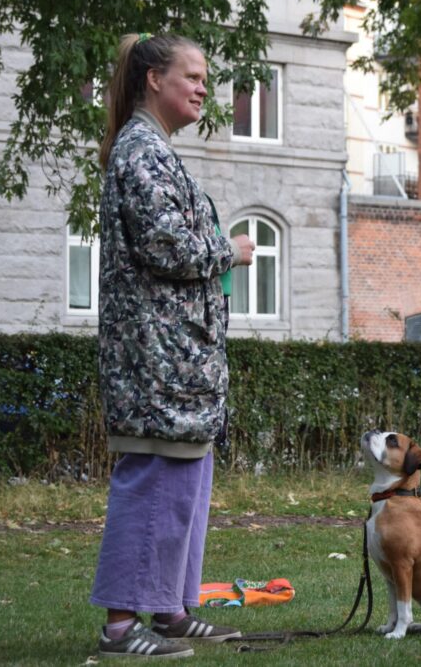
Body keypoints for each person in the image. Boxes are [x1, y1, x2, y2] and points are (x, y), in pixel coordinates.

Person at [90, 32, 256, 659]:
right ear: (153, 79)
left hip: (179, 363)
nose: (202, 89)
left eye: (206, 81)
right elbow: (167, 247)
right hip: (155, 363)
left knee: (186, 482)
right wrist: (229, 251)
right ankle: (119, 626)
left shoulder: (153, 150)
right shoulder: (140, 152)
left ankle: (168, 608)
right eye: (192, 77)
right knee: (153, 481)